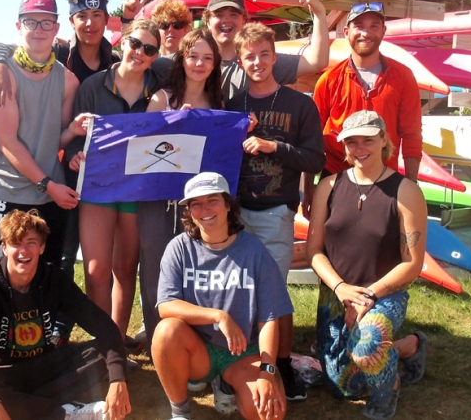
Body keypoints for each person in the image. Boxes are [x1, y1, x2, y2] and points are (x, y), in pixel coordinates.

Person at [0, 0, 149, 347]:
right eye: (82, 17)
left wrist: (131, 18)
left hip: (88, 179)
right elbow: (4, 47)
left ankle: (80, 338)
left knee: (62, 262)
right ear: (69, 23)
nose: (90, 24)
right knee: (37, 262)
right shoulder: (57, 52)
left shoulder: (114, 58)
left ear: (108, 21)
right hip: (56, 176)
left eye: (98, 17)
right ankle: (18, 341)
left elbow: (144, 51)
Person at [225, 22, 326, 402]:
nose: (258, 62)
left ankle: (282, 364)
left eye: (264, 54)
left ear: (275, 56)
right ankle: (240, 361)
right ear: (240, 60)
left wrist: (273, 148)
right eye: (249, 56)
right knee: (236, 290)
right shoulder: (232, 107)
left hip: (275, 212)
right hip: (234, 213)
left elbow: (315, 159)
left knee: (275, 293)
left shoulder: (299, 104)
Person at [305, 111, 429, 420]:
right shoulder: (329, 186)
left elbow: (412, 263)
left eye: (367, 141)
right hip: (337, 292)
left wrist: (368, 296)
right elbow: (314, 251)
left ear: (384, 140)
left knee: (366, 349)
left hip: (384, 294)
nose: (359, 149)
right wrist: (342, 289)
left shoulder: (405, 191)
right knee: (343, 386)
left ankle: (387, 394)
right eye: (352, 142)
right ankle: (405, 347)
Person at [0, 209, 131, 420]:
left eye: (31, 242)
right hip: (3, 372)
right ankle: (64, 414)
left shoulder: (54, 279)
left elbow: (102, 325)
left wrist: (117, 379)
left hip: (45, 368)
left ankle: (24, 406)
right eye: (15, 243)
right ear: (4, 247)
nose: (23, 251)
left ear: (42, 247)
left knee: (104, 354)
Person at [152, 172, 294, 420]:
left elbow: (270, 318)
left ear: (228, 204)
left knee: (268, 414)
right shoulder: (179, 247)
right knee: (166, 331)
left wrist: (267, 372)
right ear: (189, 211)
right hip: (199, 350)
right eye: (196, 203)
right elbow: (166, 305)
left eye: (212, 200)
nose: (204, 209)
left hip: (244, 353)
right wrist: (218, 316)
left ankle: (229, 384)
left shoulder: (253, 249)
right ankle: (180, 411)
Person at [66, 19, 163, 353]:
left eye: (149, 49)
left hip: (139, 189)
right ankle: (103, 343)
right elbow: (76, 137)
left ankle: (117, 344)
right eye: (136, 43)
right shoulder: (92, 86)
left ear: (155, 56)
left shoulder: (160, 89)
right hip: (98, 185)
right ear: (123, 41)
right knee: (96, 270)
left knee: (125, 268)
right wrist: (75, 157)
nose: (140, 53)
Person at [134, 28, 223, 354]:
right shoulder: (163, 97)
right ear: (182, 59)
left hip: (200, 204)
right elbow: (141, 147)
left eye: (207, 57)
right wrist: (171, 124)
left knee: (199, 268)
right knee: (157, 266)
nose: (199, 63)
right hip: (159, 201)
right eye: (193, 56)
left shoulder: (219, 104)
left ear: (215, 64)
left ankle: (198, 345)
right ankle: (161, 342)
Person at [0, 0, 80, 274]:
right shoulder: (3, 72)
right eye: (31, 22)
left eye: (46, 23)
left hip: (50, 197)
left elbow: (53, 141)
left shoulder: (68, 81)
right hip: (5, 189)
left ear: (57, 29)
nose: (38, 29)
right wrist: (49, 185)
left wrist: (72, 130)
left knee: (43, 282)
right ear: (18, 26)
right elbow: (7, 141)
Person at [306, 1, 422, 214]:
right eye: (359, 26)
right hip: (335, 178)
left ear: (384, 31)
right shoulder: (329, 80)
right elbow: (309, 137)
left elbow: (412, 135)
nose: (366, 33)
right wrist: (307, 190)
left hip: (386, 181)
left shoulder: (403, 77)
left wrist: (411, 185)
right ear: (346, 31)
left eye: (374, 26)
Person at [203, 0, 329, 100]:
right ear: (208, 22)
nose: (226, 20)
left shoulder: (260, 62)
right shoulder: (196, 63)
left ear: (244, 21)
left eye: (234, 14)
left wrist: (319, 13)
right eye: (218, 15)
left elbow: (317, 61)